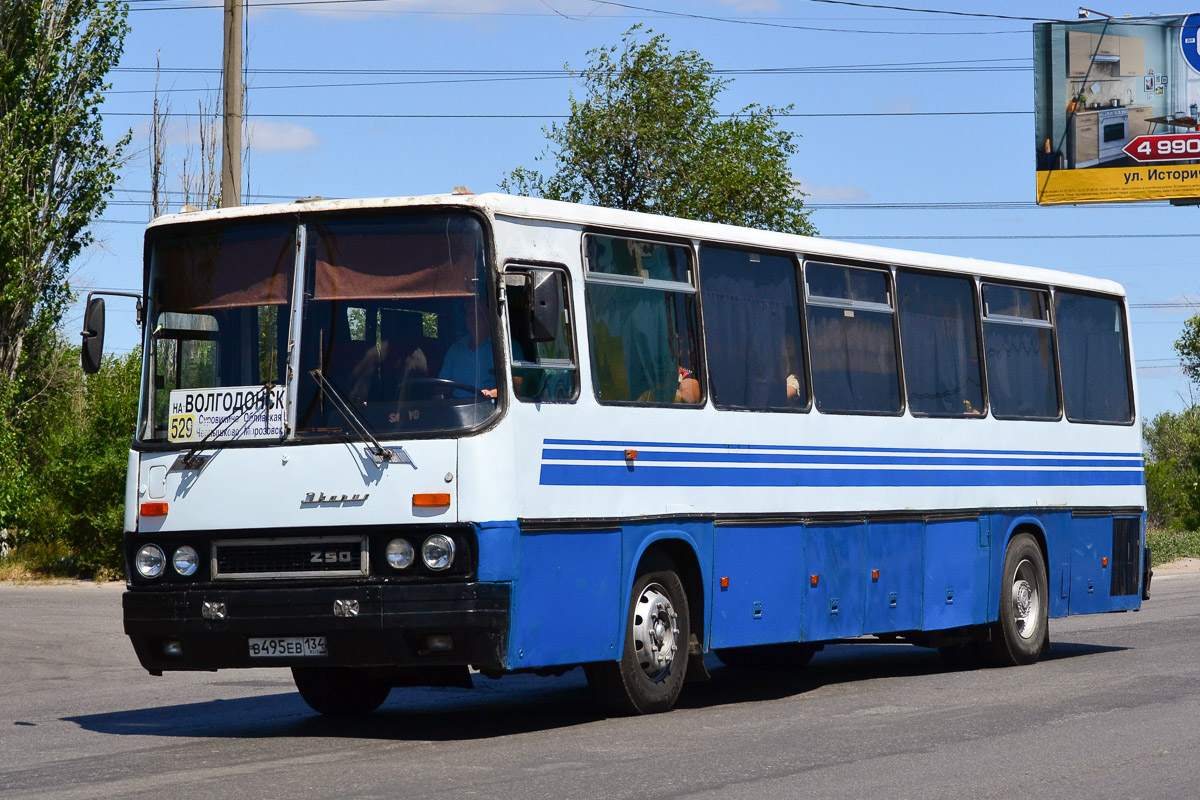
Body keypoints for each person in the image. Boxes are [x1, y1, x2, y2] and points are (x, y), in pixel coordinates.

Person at [439, 299, 497, 398]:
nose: (472, 318)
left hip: (493, 409)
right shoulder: (455, 349)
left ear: (489, 317)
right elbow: (442, 386)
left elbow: (517, 388)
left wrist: (493, 393)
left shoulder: (509, 349)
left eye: (478, 314)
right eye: (470, 314)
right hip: (457, 410)